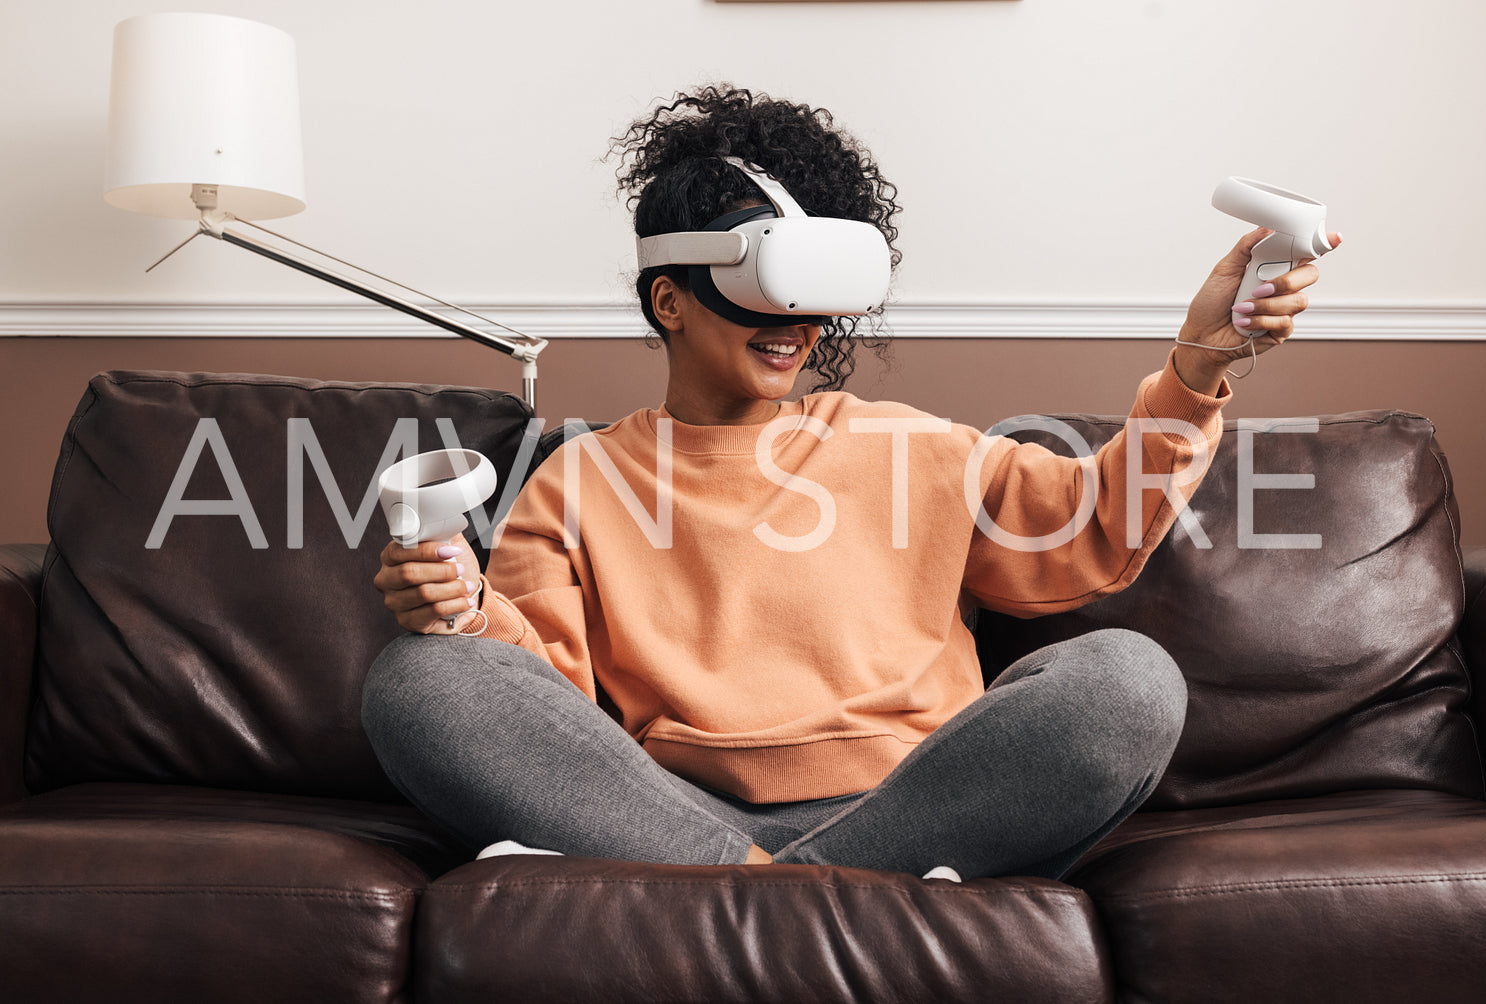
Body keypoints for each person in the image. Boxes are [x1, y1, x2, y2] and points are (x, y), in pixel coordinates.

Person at [363, 85, 1338, 881]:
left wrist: (1199, 363)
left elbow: (1094, 528)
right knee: (419, 677)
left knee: (1128, 679)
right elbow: (547, 694)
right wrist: (459, 611)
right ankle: (819, 888)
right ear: (669, 298)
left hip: (915, 800)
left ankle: (756, 891)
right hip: (676, 812)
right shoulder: (579, 480)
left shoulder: (916, 448)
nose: (799, 323)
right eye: (766, 282)